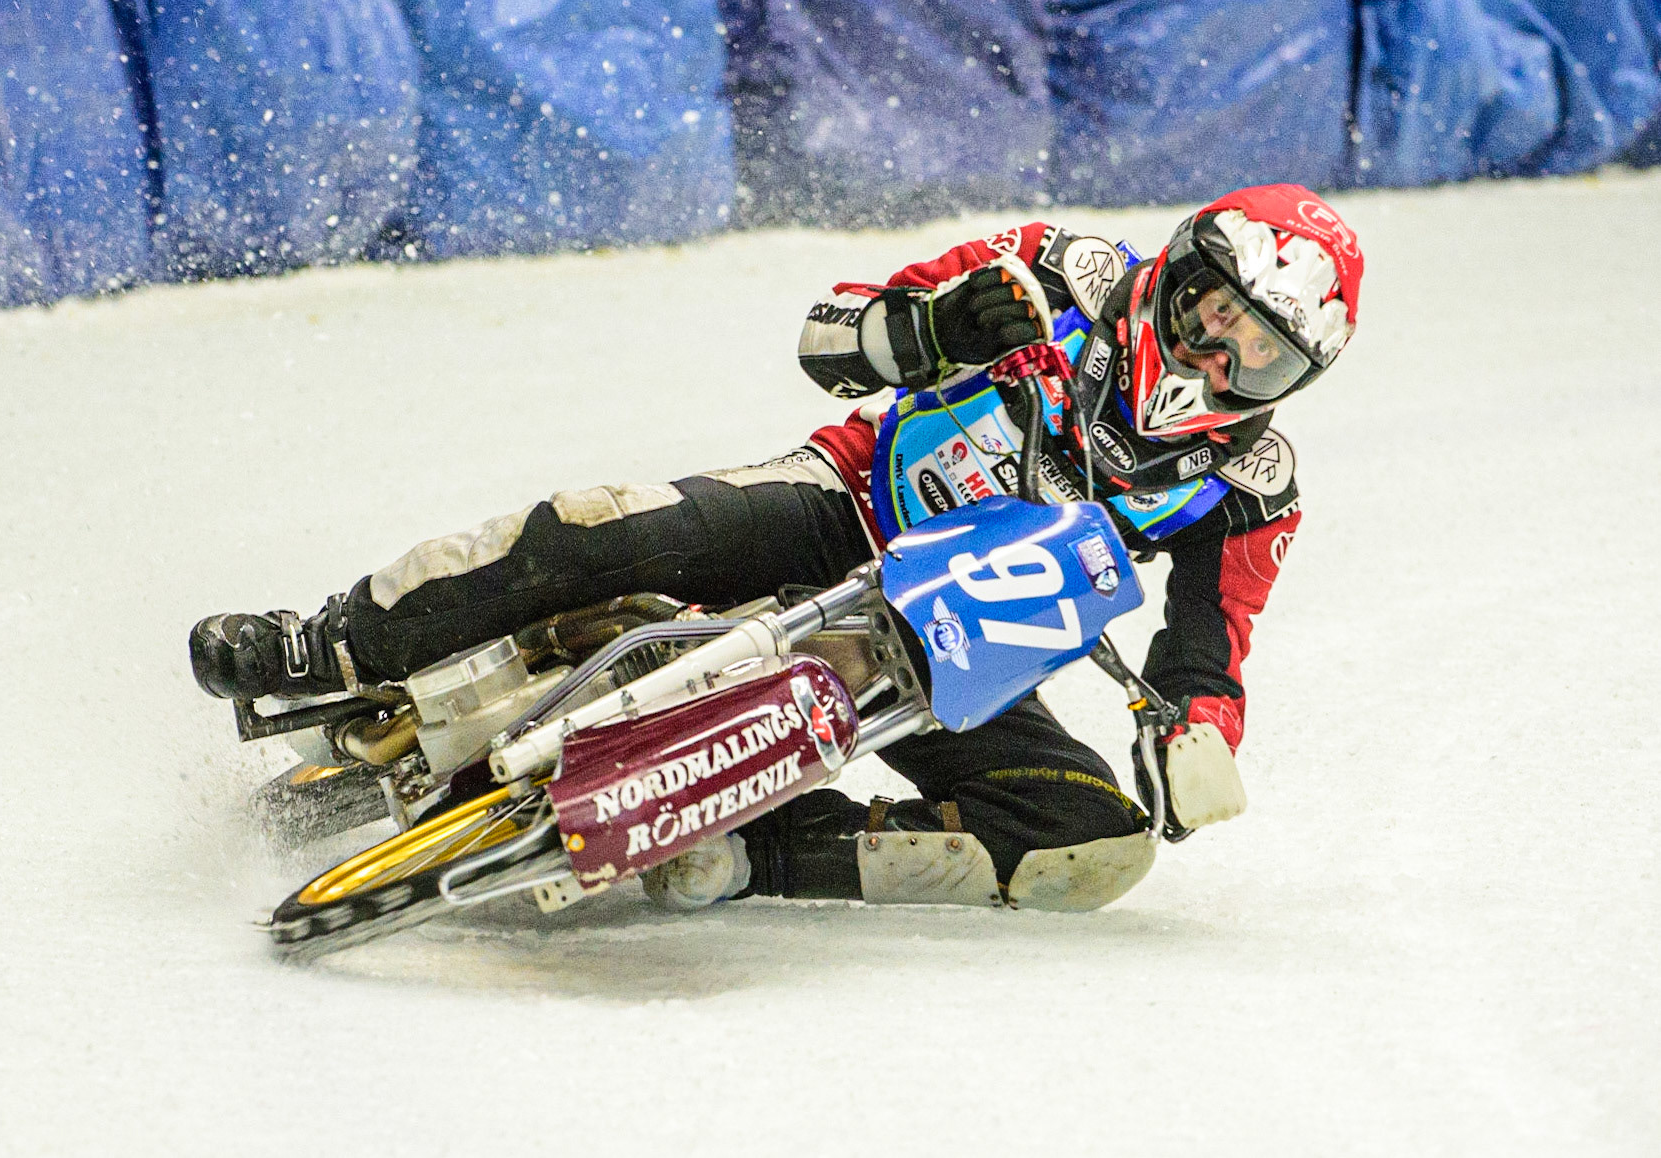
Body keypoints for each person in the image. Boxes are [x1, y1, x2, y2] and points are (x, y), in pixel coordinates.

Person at [190, 183, 1362, 913]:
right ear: (1179, 274)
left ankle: (755, 855)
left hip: (958, 650)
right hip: (837, 503)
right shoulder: (1065, 269)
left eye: (1256, 354)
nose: (1216, 358)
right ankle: (327, 644)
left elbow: (1207, 650)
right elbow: (827, 334)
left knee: (1087, 844)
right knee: (602, 524)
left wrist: (1193, 741)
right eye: (1213, 314)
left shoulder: (1250, 486)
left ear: (1291, 379)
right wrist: (930, 328)